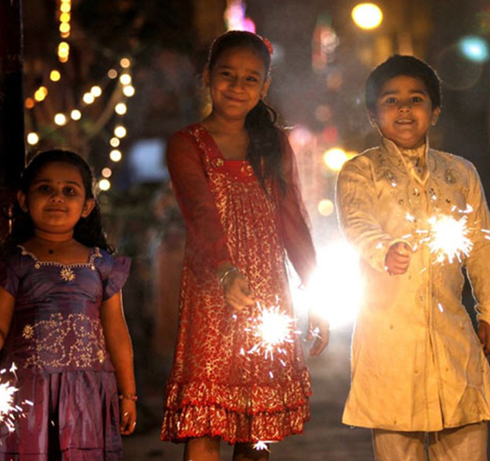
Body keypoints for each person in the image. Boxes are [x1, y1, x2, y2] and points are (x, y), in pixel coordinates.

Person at [161, 31, 329, 461]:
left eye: (250, 79)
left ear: (265, 87)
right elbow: (200, 212)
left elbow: (293, 220)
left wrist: (316, 295)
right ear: (207, 77)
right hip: (211, 291)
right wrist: (225, 270)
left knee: (256, 428)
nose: (237, 87)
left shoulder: (272, 145)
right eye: (227, 75)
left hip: (267, 293)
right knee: (206, 418)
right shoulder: (187, 144)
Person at [336, 54, 490, 461]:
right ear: (372, 114)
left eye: (415, 99)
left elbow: (482, 243)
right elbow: (356, 222)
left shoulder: (461, 173)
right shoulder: (360, 172)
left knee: (467, 442)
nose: (403, 109)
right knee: (398, 449)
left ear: (434, 112)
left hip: (452, 336)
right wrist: (384, 250)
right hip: (389, 340)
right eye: (391, 100)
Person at [0, 150, 136, 461]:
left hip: (88, 392)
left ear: (86, 206)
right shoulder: (14, 263)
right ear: (23, 200)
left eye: (69, 191)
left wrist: (128, 395)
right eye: (45, 188)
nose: (57, 197)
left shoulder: (102, 265)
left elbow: (116, 334)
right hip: (30, 391)